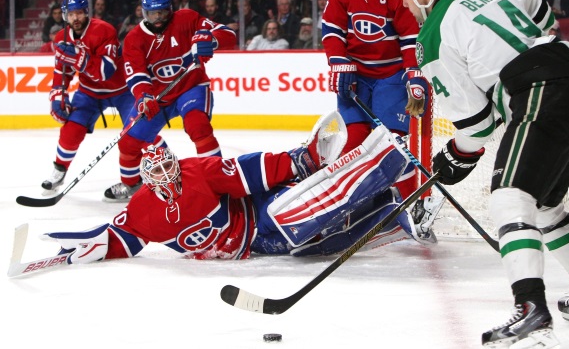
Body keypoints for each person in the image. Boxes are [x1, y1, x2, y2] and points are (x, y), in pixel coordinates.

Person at [393, 0, 569, 348]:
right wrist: (538, 42)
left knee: (509, 199)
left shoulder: (432, 36)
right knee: (546, 204)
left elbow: (477, 126)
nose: (407, 6)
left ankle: (531, 310)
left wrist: (454, 157)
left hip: (539, 91)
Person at [40, 112, 439, 265]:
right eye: (159, 171)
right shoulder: (144, 208)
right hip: (257, 247)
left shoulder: (198, 171)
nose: (168, 174)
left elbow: (245, 172)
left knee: (288, 216)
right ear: (146, 182)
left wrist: (296, 162)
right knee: (312, 246)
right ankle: (390, 212)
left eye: (169, 165)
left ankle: (385, 159)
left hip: (260, 214)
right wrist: (75, 252)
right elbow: (122, 237)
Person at [321, 0, 425, 202]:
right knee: (353, 141)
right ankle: (348, 202)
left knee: (393, 147)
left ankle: (408, 204)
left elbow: (409, 37)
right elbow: (332, 28)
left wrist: (413, 73)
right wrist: (337, 60)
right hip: (354, 74)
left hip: (391, 75)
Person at [104, 0, 236, 201]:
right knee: (128, 141)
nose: (157, 19)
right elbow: (136, 75)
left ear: (171, 10)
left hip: (190, 88)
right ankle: (131, 184)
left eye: (162, 13)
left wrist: (210, 40)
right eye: (152, 14)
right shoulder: (134, 39)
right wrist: (144, 96)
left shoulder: (187, 19)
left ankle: (217, 180)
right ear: (143, 13)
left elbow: (229, 34)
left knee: (197, 125)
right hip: (158, 98)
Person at [41, 0, 164, 197]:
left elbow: (105, 72)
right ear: (65, 16)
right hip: (89, 94)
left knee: (141, 132)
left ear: (86, 12)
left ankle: (161, 170)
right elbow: (63, 71)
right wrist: (58, 96)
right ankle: (59, 170)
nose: (75, 18)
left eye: (79, 13)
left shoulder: (104, 30)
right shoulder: (61, 38)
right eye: (71, 14)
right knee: (70, 130)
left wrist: (79, 57)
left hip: (122, 90)